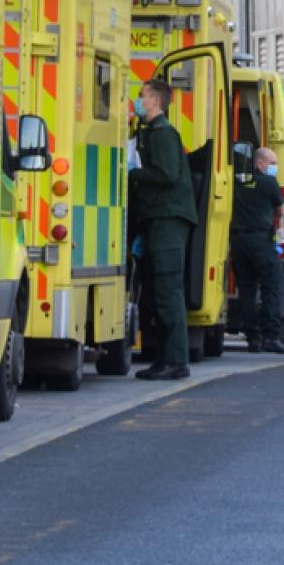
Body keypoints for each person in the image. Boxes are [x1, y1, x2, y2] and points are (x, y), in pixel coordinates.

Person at [130, 77, 198, 380]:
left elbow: (167, 174)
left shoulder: (163, 133)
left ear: (155, 101)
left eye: (141, 96)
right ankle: (164, 359)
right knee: (158, 291)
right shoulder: (153, 133)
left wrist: (134, 172)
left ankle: (176, 361)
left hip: (168, 219)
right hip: (159, 219)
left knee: (168, 290)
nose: (138, 100)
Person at [233, 146, 284, 355]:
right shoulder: (268, 182)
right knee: (272, 287)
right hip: (260, 240)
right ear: (259, 163)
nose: (274, 167)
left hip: (238, 242)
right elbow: (279, 209)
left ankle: (253, 339)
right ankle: (271, 337)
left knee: (246, 292)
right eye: (272, 163)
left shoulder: (237, 183)